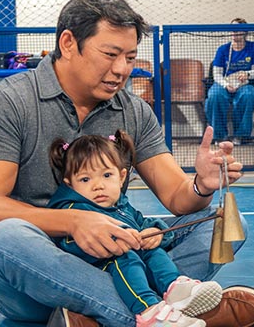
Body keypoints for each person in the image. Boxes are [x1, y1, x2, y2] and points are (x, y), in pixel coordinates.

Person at [0, 0, 254, 327]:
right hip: (42, 270)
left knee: (228, 225)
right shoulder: (10, 104)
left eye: (130, 57)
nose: (121, 69)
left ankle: (96, 316)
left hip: (126, 259)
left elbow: (177, 196)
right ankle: (158, 314)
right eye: (110, 54)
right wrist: (74, 222)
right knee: (5, 238)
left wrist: (201, 185)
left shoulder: (133, 111)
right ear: (69, 43)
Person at [48, 130, 223, 326]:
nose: (98, 185)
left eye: (106, 175)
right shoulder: (73, 209)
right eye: (85, 179)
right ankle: (149, 312)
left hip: (135, 267)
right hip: (99, 270)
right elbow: (68, 245)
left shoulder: (120, 205)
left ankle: (175, 289)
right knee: (126, 257)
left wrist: (154, 234)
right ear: (69, 184)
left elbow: (143, 223)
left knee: (152, 251)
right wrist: (113, 241)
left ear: (122, 176)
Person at [205, 17, 254, 144]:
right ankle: (219, 136)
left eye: (238, 30)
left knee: (249, 95)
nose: (234, 32)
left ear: (245, 32)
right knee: (214, 95)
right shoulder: (223, 49)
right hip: (224, 83)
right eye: (232, 29)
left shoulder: (253, 47)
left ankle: (241, 135)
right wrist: (226, 85)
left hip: (244, 84)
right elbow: (217, 74)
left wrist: (247, 74)